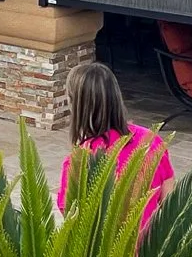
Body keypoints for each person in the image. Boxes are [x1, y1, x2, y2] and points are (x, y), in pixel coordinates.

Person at [55, 61, 174, 226]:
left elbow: (75, 226)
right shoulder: (152, 141)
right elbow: (170, 206)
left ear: (76, 105)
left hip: (108, 252)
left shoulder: (78, 163)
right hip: (149, 248)